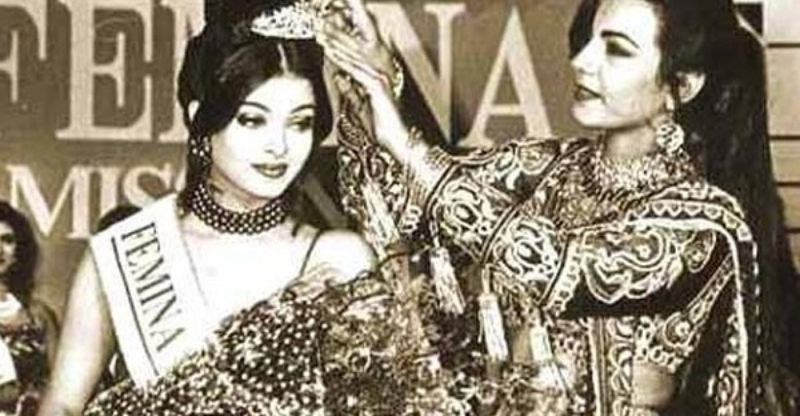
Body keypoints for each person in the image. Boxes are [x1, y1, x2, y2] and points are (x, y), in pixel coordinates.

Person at [319, 0, 800, 414]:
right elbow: (398, 205)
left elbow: (563, 271)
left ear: (683, 86)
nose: (582, 61)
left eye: (616, 49)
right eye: (588, 41)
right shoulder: (546, 167)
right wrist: (371, 78)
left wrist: (407, 146)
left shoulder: (703, 222)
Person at [35, 1, 456, 414]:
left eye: (300, 122)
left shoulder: (337, 259)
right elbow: (64, 404)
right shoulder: (123, 254)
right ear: (201, 119)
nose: (280, 145)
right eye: (253, 120)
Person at [0, 202, 55, 416]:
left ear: (19, 251)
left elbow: (61, 384)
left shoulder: (38, 315)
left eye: (7, 240)